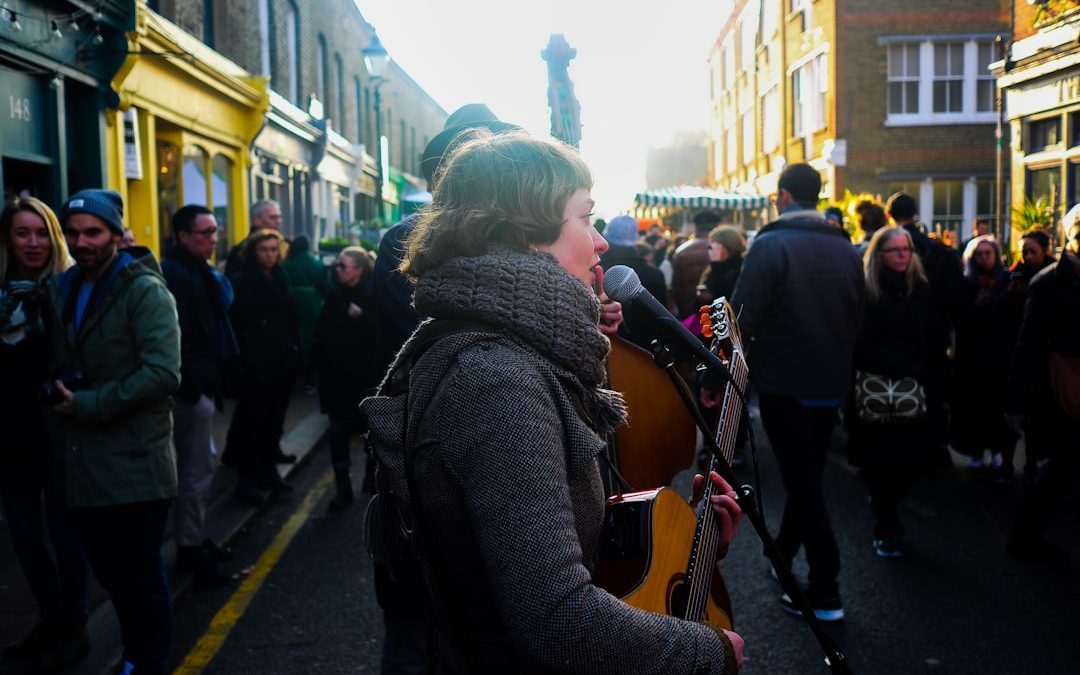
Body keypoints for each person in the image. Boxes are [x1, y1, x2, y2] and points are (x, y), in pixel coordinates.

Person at [362, 129, 743, 673]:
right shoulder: (498, 381)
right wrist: (709, 651)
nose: (601, 241)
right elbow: (559, 620)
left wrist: (694, 545)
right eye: (585, 217)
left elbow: (569, 559)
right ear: (525, 235)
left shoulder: (508, 353)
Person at [44, 189, 180, 675]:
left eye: (93, 232)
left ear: (117, 235)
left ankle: (147, 662)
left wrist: (88, 403)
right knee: (112, 574)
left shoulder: (145, 291)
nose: (82, 242)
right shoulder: (66, 287)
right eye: (74, 232)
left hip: (136, 461)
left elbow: (164, 373)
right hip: (85, 461)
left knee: (139, 574)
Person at [731, 162, 864, 621]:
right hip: (831, 381)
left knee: (804, 483)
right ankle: (781, 553)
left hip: (785, 383)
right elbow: (858, 315)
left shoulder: (770, 245)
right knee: (805, 476)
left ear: (784, 196)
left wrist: (720, 378)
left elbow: (740, 319)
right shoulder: (847, 248)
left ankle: (824, 587)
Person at [0, 198, 90, 670]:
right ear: (7, 239)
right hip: (10, 435)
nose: (32, 243)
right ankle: (50, 617)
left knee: (65, 535)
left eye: (40, 232)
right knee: (25, 539)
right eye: (21, 233)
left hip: (60, 430)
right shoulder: (0, 293)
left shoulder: (69, 289)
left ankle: (73, 624)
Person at [160, 205, 237, 585]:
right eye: (205, 232)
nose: (212, 238)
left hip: (200, 384)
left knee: (198, 467)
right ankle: (188, 549)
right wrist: (195, 387)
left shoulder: (199, 271)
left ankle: (191, 539)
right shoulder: (175, 274)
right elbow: (182, 337)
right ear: (183, 236)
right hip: (190, 390)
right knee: (193, 471)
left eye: (214, 232)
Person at [850, 227, 933, 558]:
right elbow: (859, 342)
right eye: (895, 249)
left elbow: (933, 335)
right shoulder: (866, 291)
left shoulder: (921, 289)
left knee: (913, 462)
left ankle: (888, 508)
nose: (902, 255)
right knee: (883, 464)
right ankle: (886, 528)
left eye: (907, 249)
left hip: (916, 388)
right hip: (875, 390)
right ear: (879, 254)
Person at [1005, 218, 1080, 563]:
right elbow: (1027, 344)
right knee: (1057, 469)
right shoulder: (1048, 284)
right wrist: (1016, 404)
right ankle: (1025, 536)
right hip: (1059, 391)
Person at [885, 192, 965, 458]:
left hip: (901, 336)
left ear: (890, 216)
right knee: (934, 392)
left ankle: (909, 447)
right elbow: (957, 299)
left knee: (902, 393)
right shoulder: (940, 251)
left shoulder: (888, 253)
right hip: (937, 334)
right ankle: (935, 444)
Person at [223, 228, 300, 505]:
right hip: (255, 364)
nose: (269, 255)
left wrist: (293, 348)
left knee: (273, 421)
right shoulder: (241, 281)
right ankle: (248, 480)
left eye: (272, 249)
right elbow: (237, 324)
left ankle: (269, 474)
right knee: (251, 423)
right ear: (253, 253)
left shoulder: (281, 276)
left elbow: (291, 316)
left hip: (281, 361)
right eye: (263, 250)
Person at [313, 246, 379, 511]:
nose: (337, 270)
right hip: (336, 379)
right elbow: (321, 332)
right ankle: (343, 489)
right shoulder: (333, 295)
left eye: (343, 266)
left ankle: (370, 479)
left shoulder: (372, 296)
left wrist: (362, 317)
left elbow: (380, 333)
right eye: (338, 265)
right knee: (338, 433)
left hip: (364, 378)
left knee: (369, 434)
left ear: (359, 270)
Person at [951, 235, 1012, 471]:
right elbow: (959, 317)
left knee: (995, 406)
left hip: (996, 354)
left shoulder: (1006, 277)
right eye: (980, 253)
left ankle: (996, 450)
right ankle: (976, 450)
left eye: (989, 253)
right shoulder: (966, 282)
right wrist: (975, 306)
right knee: (973, 406)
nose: (984, 258)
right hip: (972, 356)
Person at [599, 214, 669, 348]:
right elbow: (663, 322)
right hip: (650, 353)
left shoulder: (596, 274)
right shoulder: (654, 274)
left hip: (612, 355)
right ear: (635, 238)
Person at [280, 234, 327, 393]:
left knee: (296, 335)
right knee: (312, 338)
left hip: (292, 302)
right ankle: (310, 377)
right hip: (313, 303)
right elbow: (323, 284)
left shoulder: (286, 264)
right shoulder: (316, 263)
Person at [671, 210, 721, 318]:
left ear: (695, 226)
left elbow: (676, 289)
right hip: (718, 314)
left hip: (690, 315)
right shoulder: (723, 249)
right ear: (716, 226)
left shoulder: (681, 251)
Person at [224, 199, 286, 278]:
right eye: (273, 217)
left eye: (279, 217)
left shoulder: (282, 245)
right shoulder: (242, 250)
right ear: (256, 221)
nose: (278, 221)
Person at [697, 224, 746, 305]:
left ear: (729, 246)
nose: (711, 251)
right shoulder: (712, 267)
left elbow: (725, 297)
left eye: (715, 247)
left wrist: (717, 266)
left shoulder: (741, 267)